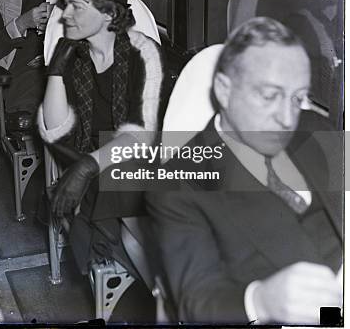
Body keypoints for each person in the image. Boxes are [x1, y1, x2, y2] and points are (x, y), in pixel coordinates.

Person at [146, 17, 342, 324]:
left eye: (297, 98)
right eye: (269, 96)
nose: (288, 118)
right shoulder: (179, 183)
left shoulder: (318, 130)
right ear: (224, 90)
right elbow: (196, 300)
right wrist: (260, 301)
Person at [37, 0, 164, 274]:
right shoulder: (73, 54)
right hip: (90, 156)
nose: (64, 15)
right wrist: (55, 69)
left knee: (123, 184)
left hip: (139, 157)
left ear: (108, 14)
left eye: (76, 7)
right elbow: (56, 131)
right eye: (66, 5)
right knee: (131, 228)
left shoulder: (144, 53)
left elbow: (143, 135)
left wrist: (88, 165)